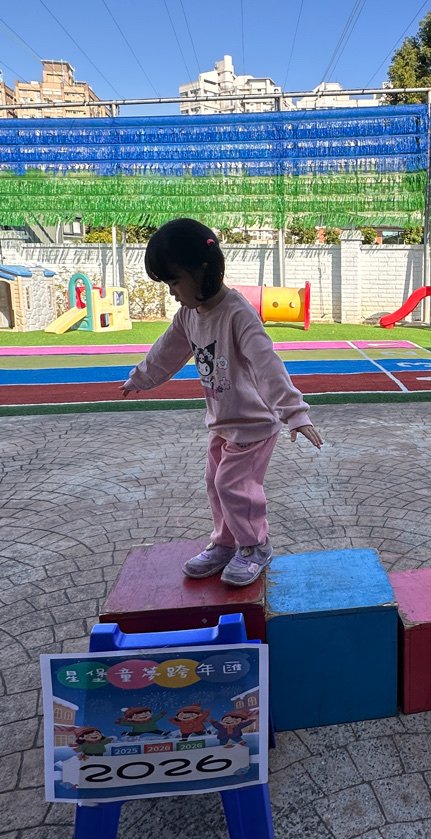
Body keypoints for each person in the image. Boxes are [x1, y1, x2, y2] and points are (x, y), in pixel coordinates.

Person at [120, 218, 323, 585]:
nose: (172, 293)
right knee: (215, 482)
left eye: (175, 282)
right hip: (223, 423)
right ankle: (227, 543)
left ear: (204, 269)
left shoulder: (237, 313)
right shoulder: (188, 315)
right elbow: (166, 351)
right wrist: (141, 377)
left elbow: (267, 364)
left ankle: (256, 545)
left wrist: (294, 412)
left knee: (233, 484)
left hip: (254, 424)